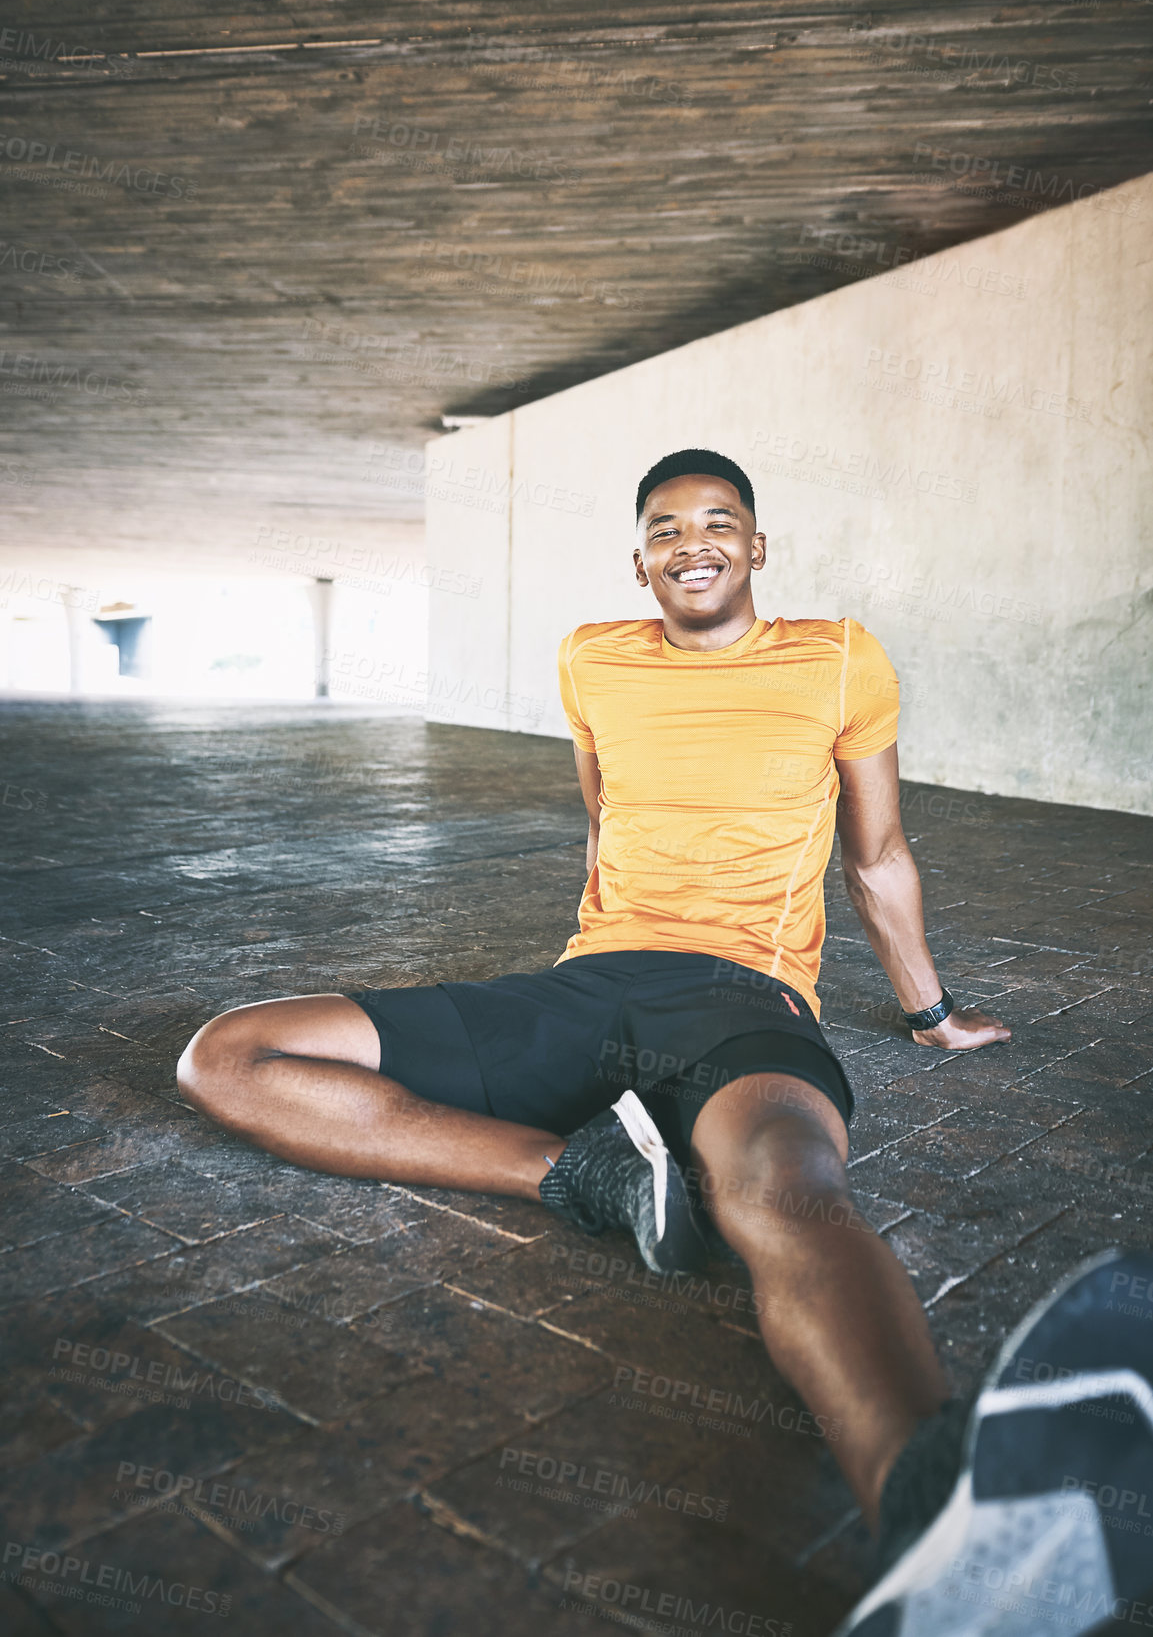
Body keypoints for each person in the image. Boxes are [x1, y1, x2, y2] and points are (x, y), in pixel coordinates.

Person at [177, 449, 1153, 1635]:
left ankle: (936, 1500)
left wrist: (929, 1011)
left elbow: (876, 853)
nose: (694, 542)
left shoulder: (839, 656)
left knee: (786, 1185)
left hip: (742, 994)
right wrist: (573, 984)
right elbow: (605, 814)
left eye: (719, 522)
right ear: (639, 558)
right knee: (224, 1055)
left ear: (756, 546)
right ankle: (586, 1173)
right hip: (585, 984)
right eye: (666, 528)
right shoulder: (592, 657)